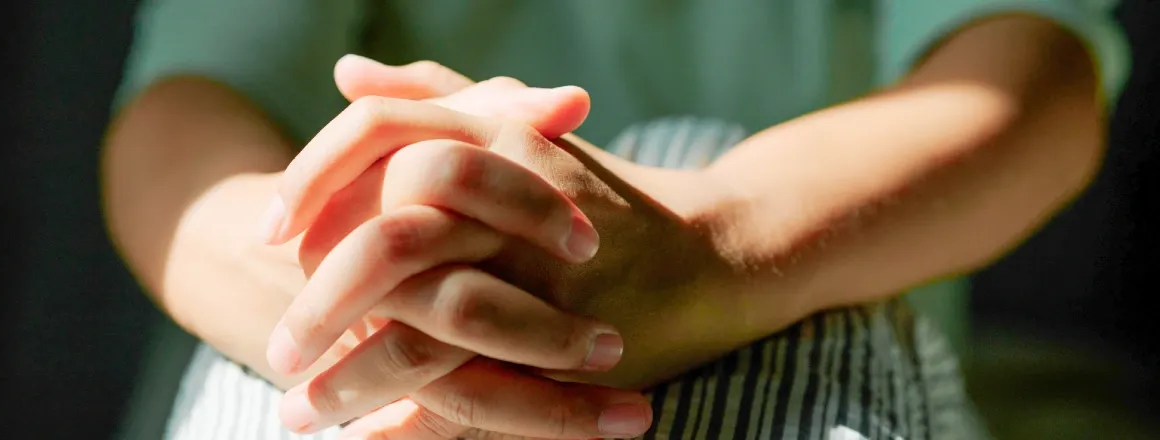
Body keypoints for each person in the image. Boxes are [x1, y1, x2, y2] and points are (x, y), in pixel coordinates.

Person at [101, 1, 1127, 439]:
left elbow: (1029, 76)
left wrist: (718, 242)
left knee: (695, 139)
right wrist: (365, 282)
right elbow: (184, 118)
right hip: (326, 341)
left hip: (801, 282)